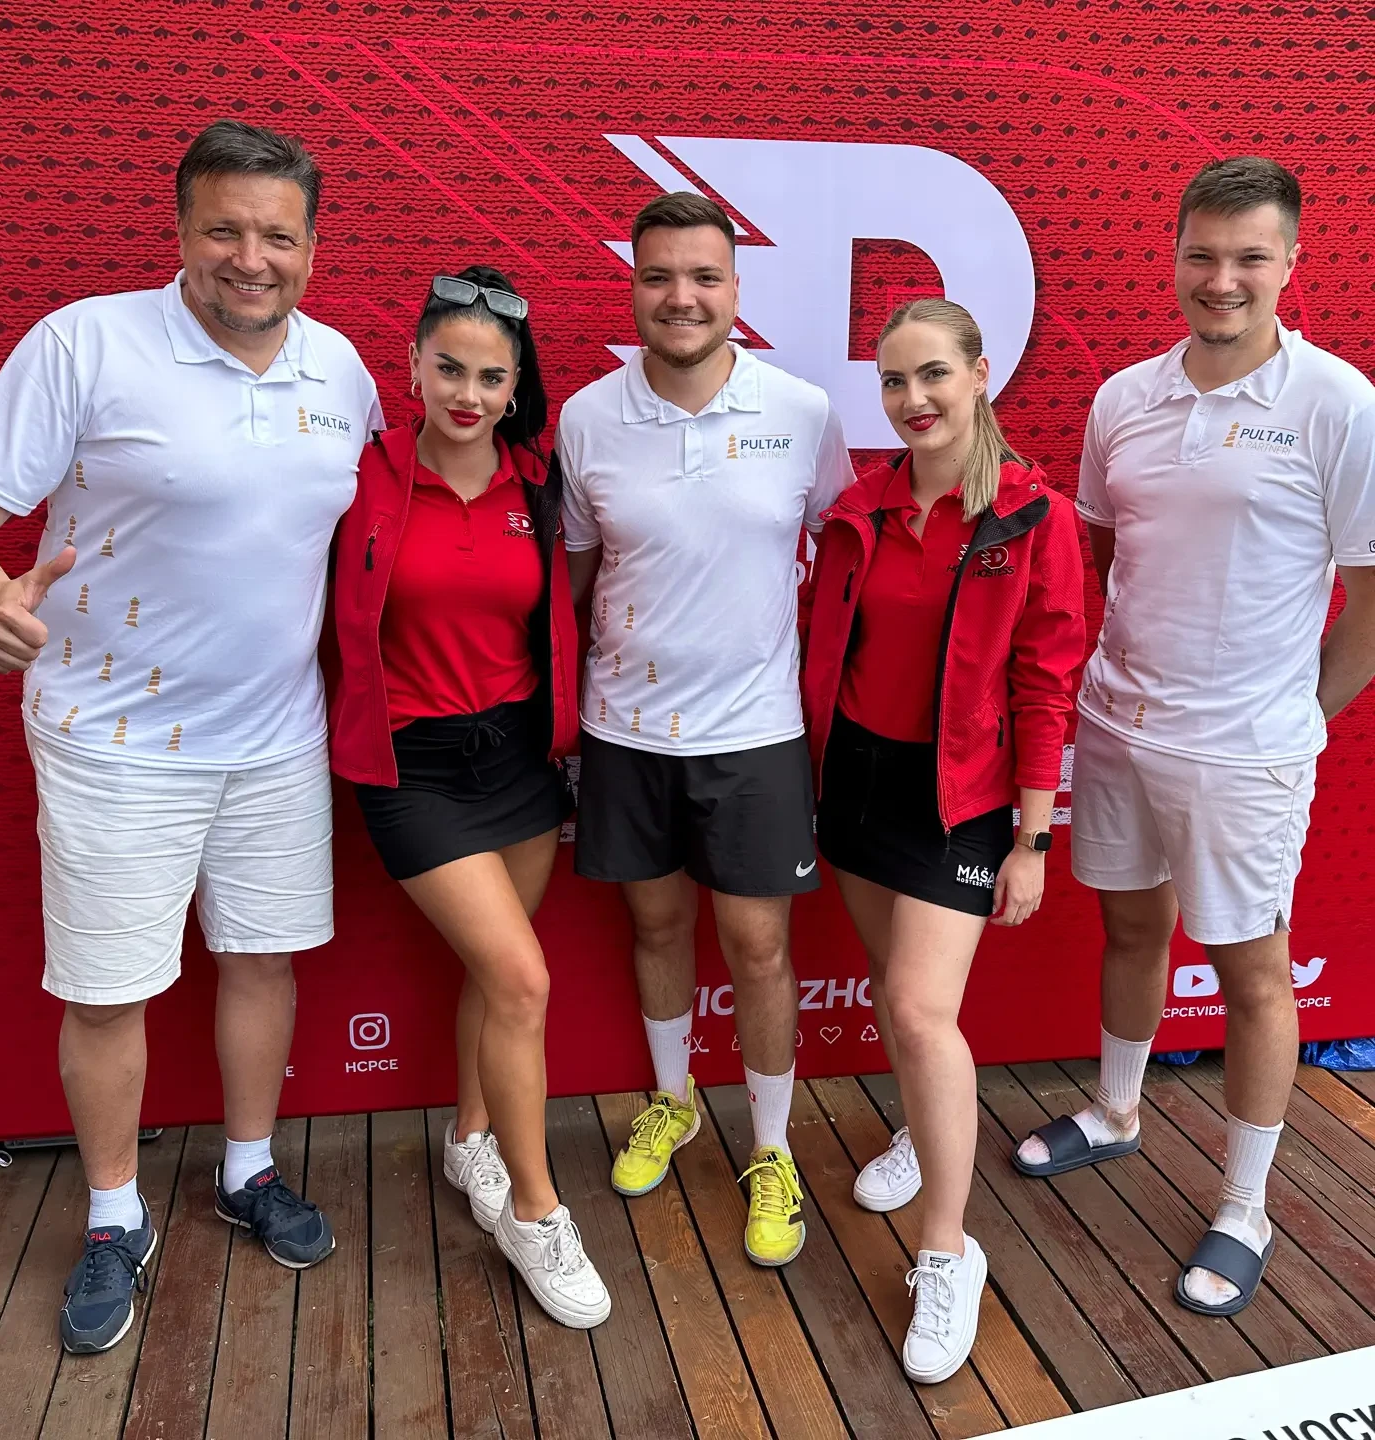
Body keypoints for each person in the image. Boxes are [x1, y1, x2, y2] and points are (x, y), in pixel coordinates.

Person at [0, 121, 381, 1352]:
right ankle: (111, 1215)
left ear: (312, 247)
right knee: (107, 993)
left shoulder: (342, 369)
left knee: (263, 961)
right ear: (180, 231)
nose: (252, 258)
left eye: (278, 235)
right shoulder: (85, 342)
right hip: (113, 740)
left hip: (278, 737)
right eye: (224, 229)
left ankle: (246, 1170)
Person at [1013, 157, 1375, 1318]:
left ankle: (1246, 1206)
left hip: (1245, 754)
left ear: (1291, 263)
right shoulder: (1123, 398)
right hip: (1118, 725)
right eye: (1203, 255)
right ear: (1173, 256)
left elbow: (1371, 601)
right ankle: (1118, 1111)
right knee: (1131, 928)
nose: (1223, 279)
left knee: (1252, 973)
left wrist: (1292, 721)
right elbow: (1104, 559)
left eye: (1250, 257)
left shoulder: (1339, 404)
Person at [557, 192, 856, 1267]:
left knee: (760, 946)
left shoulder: (804, 412)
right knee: (654, 930)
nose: (680, 297)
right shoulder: (586, 418)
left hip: (757, 729)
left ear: (736, 289)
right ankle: (672, 1100)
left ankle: (770, 1148)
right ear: (632, 285)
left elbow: (846, 561)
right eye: (658, 276)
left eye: (703, 277)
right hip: (626, 728)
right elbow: (577, 577)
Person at [802, 298, 1085, 1381]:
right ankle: (925, 1134)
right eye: (893, 380)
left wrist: (1032, 837)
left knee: (921, 1010)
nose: (912, 399)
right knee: (898, 990)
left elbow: (1046, 682)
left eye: (932, 375)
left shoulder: (1030, 516)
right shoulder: (861, 508)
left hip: (959, 797)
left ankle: (947, 1250)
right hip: (857, 783)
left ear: (979, 375)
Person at [328, 266, 610, 1329]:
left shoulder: (537, 486)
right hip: (414, 768)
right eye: (449, 368)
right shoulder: (359, 476)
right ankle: (536, 1213)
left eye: (492, 378)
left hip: (519, 761)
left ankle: (470, 1140)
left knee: (499, 977)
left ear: (515, 388)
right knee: (522, 979)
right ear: (411, 366)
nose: (468, 393)